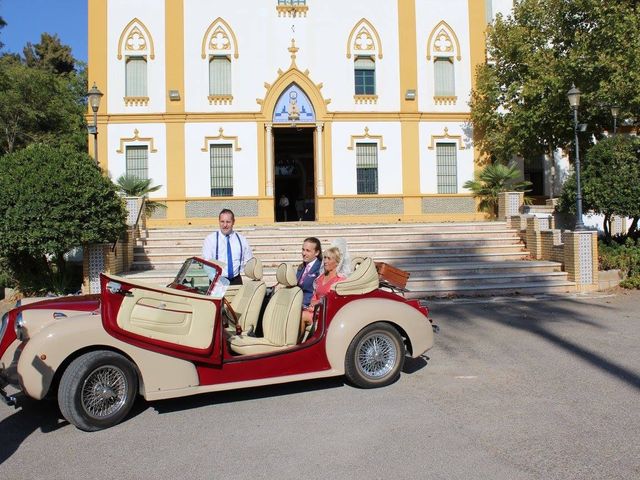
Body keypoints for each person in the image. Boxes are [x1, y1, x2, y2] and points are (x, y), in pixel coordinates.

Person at [299, 240, 351, 339]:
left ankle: (296, 346)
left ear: (337, 263)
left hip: (327, 314)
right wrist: (312, 303)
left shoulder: (340, 281)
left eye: (329, 259)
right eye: (325, 258)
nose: (325, 261)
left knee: (302, 315)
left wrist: (318, 302)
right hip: (314, 310)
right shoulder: (320, 277)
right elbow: (314, 296)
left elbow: (337, 301)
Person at [202, 209, 253, 285]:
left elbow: (249, 261)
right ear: (219, 221)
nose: (225, 225)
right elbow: (207, 261)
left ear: (233, 222)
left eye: (228, 222)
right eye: (222, 221)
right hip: (217, 281)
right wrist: (223, 266)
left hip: (236, 280)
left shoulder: (242, 240)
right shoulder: (210, 239)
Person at [296, 237, 322, 309]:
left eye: (308, 251)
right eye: (303, 250)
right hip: (297, 303)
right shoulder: (301, 267)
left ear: (317, 252)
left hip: (308, 306)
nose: (304, 253)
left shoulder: (320, 268)